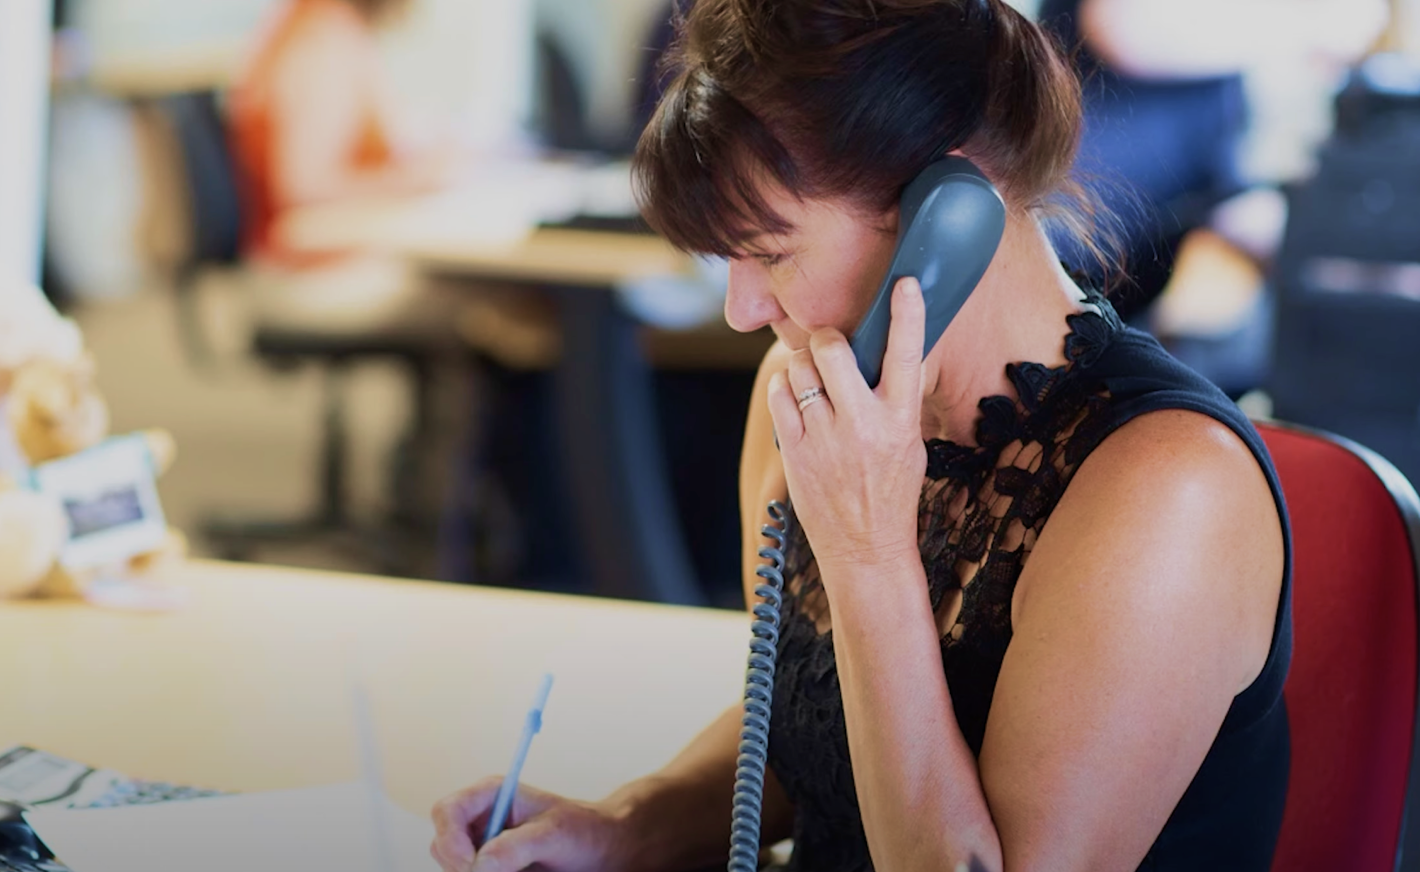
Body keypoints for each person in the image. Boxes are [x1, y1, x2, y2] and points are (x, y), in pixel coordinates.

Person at [431, 1, 1292, 870]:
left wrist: (871, 557)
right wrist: (620, 827)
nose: (741, 312)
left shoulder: (1166, 490)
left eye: (770, 253)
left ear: (947, 219)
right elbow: (808, 733)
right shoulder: (807, 396)